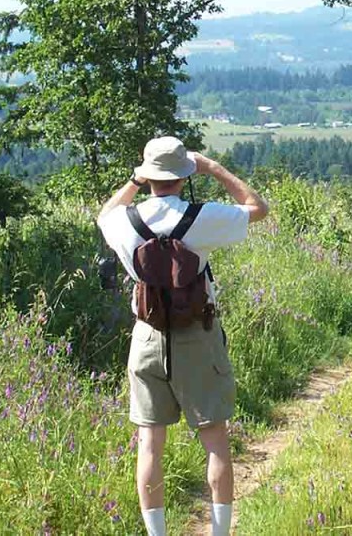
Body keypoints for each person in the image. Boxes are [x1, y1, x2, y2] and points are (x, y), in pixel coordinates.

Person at [96, 136, 269, 536]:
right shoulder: (201, 217)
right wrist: (214, 169)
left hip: (146, 337)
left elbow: (105, 213)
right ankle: (220, 532)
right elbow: (258, 208)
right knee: (214, 439)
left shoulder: (124, 221)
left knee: (149, 444)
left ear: (149, 175)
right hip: (197, 336)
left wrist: (133, 181)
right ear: (183, 175)